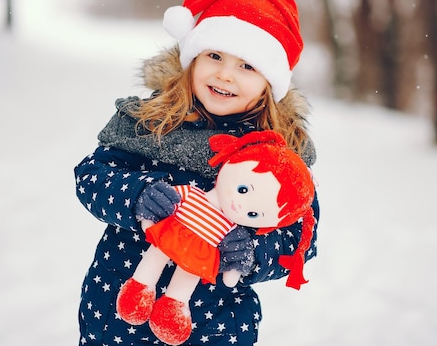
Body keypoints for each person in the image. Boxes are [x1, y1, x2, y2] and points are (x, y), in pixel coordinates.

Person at [74, 0, 320, 346]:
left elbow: (302, 232)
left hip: (216, 323)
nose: (225, 75)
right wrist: (136, 194)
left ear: (269, 84)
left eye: (247, 66)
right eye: (215, 55)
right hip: (117, 311)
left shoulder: (278, 156)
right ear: (192, 58)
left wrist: (255, 252)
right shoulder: (149, 121)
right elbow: (92, 176)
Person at [116, 131, 316, 345]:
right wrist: (141, 199)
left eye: (253, 214)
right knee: (156, 255)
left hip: (217, 309)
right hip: (170, 235)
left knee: (188, 274)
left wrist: (247, 254)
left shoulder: (294, 169)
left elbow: (298, 242)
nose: (239, 205)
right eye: (242, 190)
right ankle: (139, 288)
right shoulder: (143, 128)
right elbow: (96, 173)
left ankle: (173, 307)